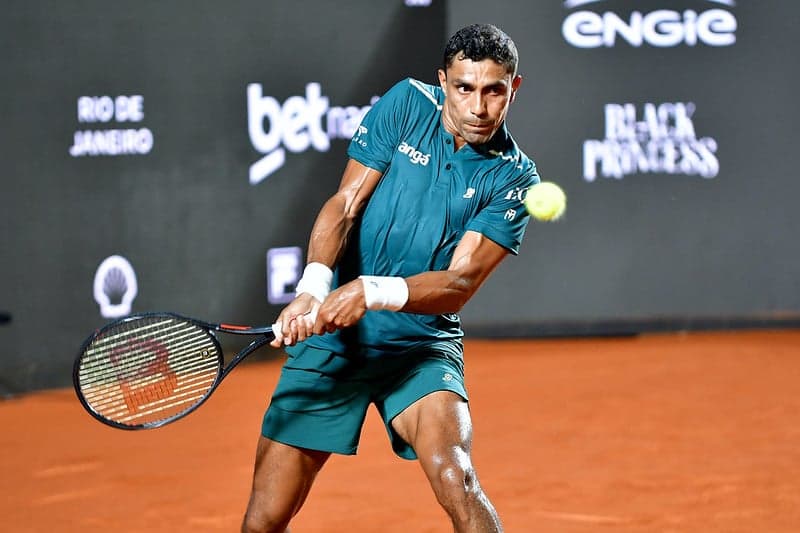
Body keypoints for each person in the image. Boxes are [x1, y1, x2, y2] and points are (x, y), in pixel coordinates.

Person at [242, 23, 540, 533]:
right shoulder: (405, 104)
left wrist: (368, 290)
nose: (478, 107)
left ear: (513, 88)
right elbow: (347, 202)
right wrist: (314, 287)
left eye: (494, 90)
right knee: (264, 519)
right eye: (465, 88)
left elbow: (458, 284)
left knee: (457, 476)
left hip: (419, 347)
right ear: (443, 81)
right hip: (334, 340)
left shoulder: (515, 178)